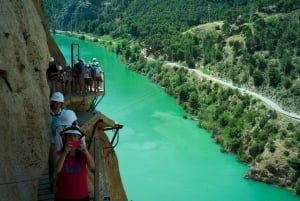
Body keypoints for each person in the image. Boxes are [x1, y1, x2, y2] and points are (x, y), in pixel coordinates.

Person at [54, 124, 95, 201]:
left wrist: (85, 151)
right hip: (63, 195)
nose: (72, 138)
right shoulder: (59, 153)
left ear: (79, 138)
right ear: (65, 138)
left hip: (82, 195)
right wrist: (65, 153)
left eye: (75, 136)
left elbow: (92, 167)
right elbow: (56, 170)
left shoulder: (85, 153)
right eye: (69, 136)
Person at [49, 91, 65, 192]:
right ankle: (52, 183)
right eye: (56, 102)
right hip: (51, 142)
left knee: (61, 162)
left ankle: (60, 182)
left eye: (59, 103)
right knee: (52, 163)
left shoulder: (63, 113)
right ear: (52, 102)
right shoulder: (47, 114)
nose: (58, 105)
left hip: (61, 141)